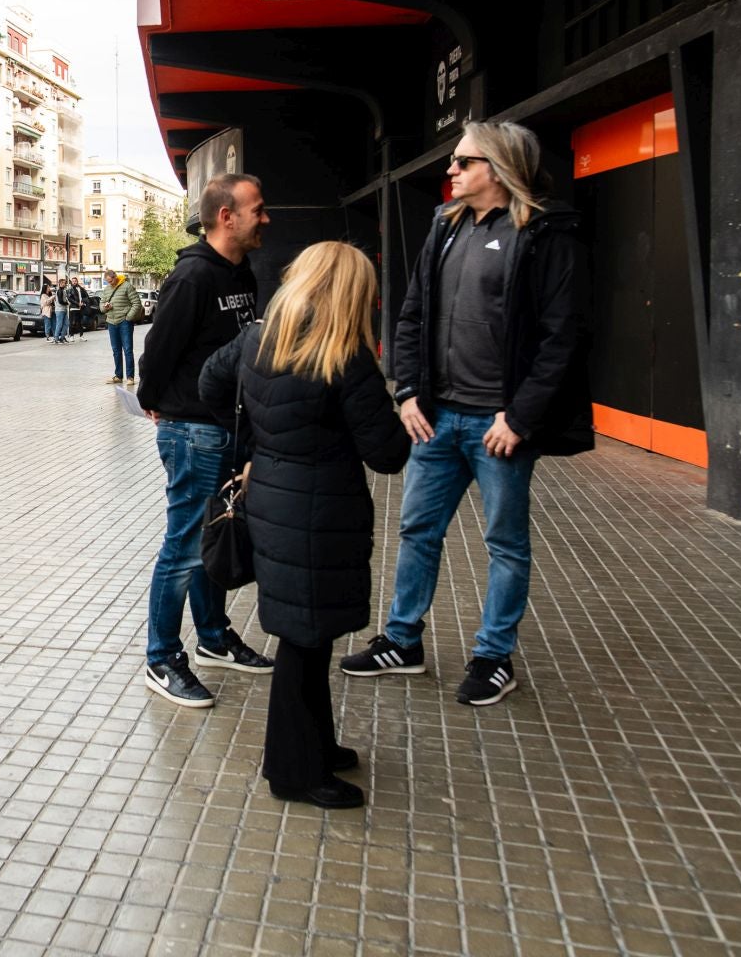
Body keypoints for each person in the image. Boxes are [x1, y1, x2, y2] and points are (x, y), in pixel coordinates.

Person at [342, 121, 591, 707]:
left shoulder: (545, 233)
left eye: (462, 161)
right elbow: (410, 316)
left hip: (499, 426)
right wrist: (405, 394)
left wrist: (521, 416)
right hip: (437, 418)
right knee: (417, 530)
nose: (449, 171)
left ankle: (493, 657)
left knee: (504, 542)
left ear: (500, 168)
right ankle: (402, 642)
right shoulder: (445, 226)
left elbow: (563, 337)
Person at [200, 241, 410, 809]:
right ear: (351, 292)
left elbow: (209, 385)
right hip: (317, 511)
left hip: (273, 500)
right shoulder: (344, 353)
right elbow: (386, 452)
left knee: (308, 636)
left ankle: (315, 745)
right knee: (302, 643)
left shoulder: (258, 336)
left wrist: (257, 444)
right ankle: (292, 772)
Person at [135, 173, 272, 707]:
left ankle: (214, 638)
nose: (266, 218)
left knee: (215, 537)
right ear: (226, 216)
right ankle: (162, 658)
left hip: (227, 428)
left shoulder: (243, 272)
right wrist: (157, 402)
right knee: (186, 546)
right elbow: (157, 350)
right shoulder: (192, 277)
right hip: (192, 430)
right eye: (257, 210)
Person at [102, 270, 141, 385]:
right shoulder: (107, 289)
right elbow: (101, 304)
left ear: (115, 277)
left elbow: (136, 303)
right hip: (111, 322)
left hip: (124, 322)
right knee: (116, 350)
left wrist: (128, 317)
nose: (111, 283)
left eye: (111, 281)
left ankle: (130, 377)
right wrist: (105, 307)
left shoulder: (127, 286)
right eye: (108, 282)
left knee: (128, 350)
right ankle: (118, 376)